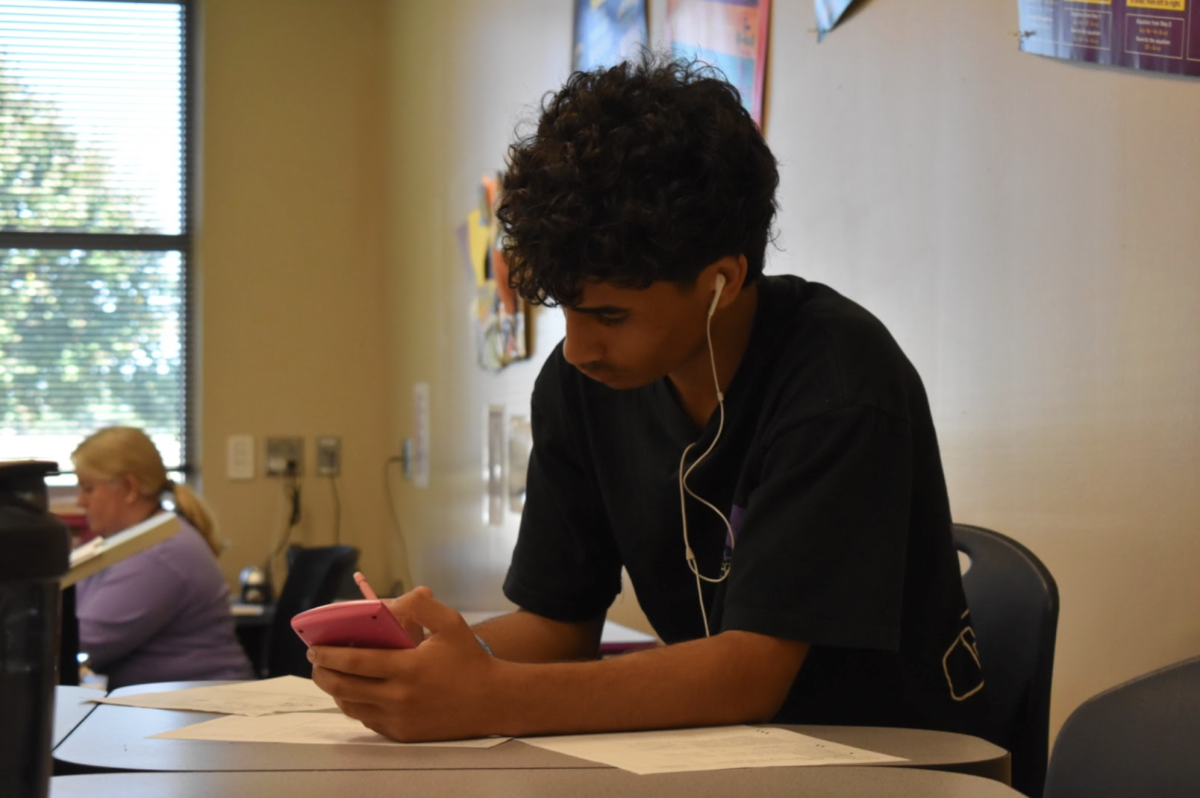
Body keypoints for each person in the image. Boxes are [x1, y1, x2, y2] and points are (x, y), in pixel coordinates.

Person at [310, 54, 986, 742]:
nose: (577, 349)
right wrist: (428, 668)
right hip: (725, 754)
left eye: (609, 316)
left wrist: (490, 697)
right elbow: (557, 626)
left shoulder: (838, 386)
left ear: (720, 280)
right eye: (566, 310)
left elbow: (751, 674)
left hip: (890, 761)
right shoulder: (582, 389)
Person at [72, 426, 254, 689]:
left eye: (88, 489)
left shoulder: (160, 553)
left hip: (205, 710)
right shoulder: (133, 543)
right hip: (172, 705)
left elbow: (83, 641)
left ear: (129, 487)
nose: (80, 501)